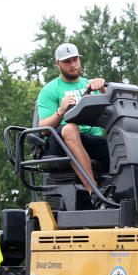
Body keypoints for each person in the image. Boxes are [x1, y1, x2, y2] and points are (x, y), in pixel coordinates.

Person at [35, 43, 108, 191]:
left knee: (123, 143)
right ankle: (94, 192)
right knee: (70, 128)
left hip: (90, 140)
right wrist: (60, 111)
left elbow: (114, 109)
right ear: (58, 64)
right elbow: (43, 129)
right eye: (67, 61)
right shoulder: (50, 90)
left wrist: (105, 88)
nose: (73, 64)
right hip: (60, 141)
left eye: (75, 59)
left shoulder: (91, 85)